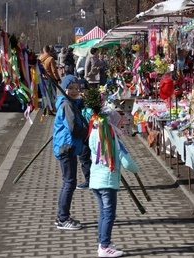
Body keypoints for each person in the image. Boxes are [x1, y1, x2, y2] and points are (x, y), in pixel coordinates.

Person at [88, 106, 139, 257]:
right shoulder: (111, 139)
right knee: (109, 214)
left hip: (96, 181)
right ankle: (104, 247)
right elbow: (127, 162)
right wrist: (137, 169)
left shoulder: (94, 133)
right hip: (107, 183)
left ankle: (103, 242)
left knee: (103, 213)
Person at [52, 73, 88, 230]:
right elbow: (73, 128)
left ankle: (62, 215)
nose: (74, 91)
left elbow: (77, 104)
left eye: (76, 88)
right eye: (70, 88)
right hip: (67, 147)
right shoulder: (66, 105)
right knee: (69, 182)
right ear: (64, 89)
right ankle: (63, 218)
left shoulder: (70, 103)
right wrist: (87, 132)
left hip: (69, 147)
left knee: (69, 182)